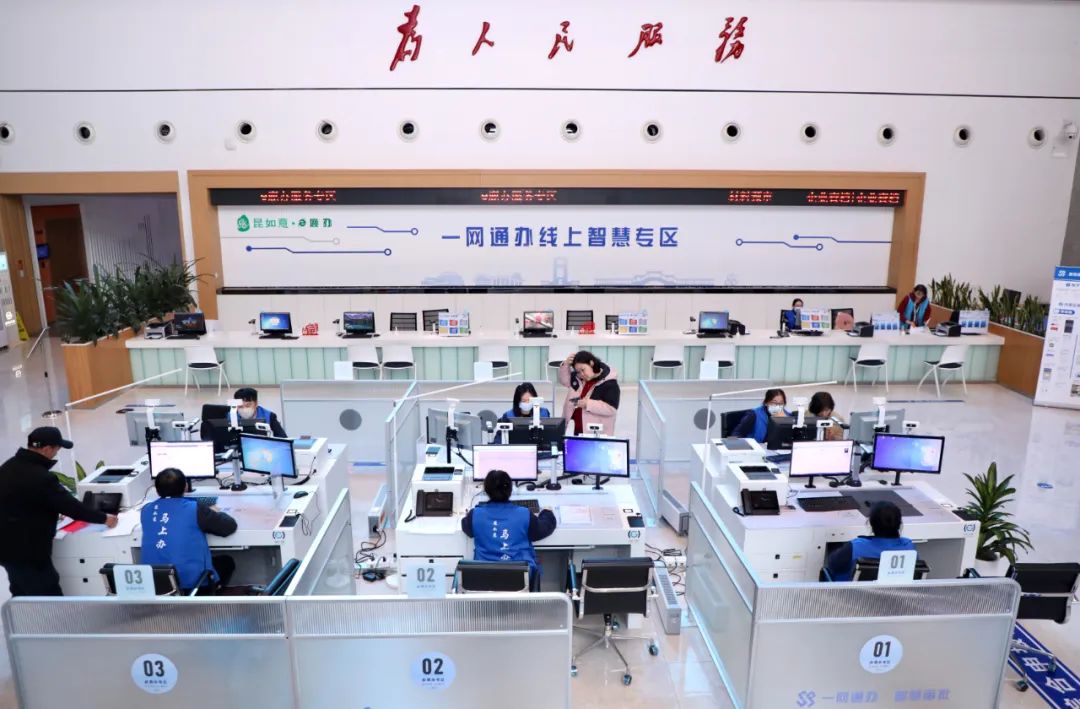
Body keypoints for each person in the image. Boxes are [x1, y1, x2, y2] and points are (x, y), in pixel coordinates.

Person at [0, 427, 118, 596]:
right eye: (57, 449)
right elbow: (73, 508)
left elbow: (21, 500)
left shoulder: (8, 466)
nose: (56, 454)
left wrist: (47, 509)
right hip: (29, 551)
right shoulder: (41, 477)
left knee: (21, 593)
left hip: (6, 547)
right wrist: (104, 518)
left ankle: (23, 614)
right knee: (47, 596)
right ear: (47, 449)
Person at [140, 468, 238, 592]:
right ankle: (209, 597)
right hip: (193, 584)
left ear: (157, 489)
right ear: (185, 486)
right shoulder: (195, 509)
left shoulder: (146, 510)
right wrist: (214, 512)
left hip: (155, 584)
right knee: (227, 562)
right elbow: (229, 527)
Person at [461, 470, 557, 589]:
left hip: (485, 584)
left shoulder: (475, 515)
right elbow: (544, 528)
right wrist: (547, 512)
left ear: (486, 490)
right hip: (521, 583)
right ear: (510, 490)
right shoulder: (524, 514)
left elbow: (466, 527)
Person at [825, 501, 915, 582]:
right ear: (899, 524)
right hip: (894, 595)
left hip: (853, 594)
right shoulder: (908, 547)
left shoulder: (856, 546)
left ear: (871, 524)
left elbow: (832, 565)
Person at [558, 350, 620, 436]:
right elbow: (564, 381)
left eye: (583, 370)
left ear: (591, 363)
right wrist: (565, 365)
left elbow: (611, 409)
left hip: (595, 434)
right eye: (578, 372)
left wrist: (588, 404)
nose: (581, 374)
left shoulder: (610, 384)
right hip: (577, 429)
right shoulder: (578, 378)